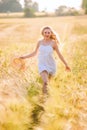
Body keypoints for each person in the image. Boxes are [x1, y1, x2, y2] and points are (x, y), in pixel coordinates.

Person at [19, 26, 71, 95]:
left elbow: (59, 55)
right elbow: (34, 53)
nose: (47, 34)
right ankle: (44, 98)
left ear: (51, 34)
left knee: (47, 83)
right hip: (42, 65)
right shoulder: (39, 42)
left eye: (48, 32)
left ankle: (46, 97)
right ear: (42, 33)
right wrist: (24, 57)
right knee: (45, 81)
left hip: (51, 65)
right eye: (45, 32)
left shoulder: (53, 43)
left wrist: (66, 64)